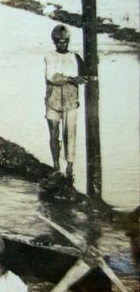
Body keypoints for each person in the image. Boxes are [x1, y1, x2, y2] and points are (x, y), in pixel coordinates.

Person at [44, 24, 89, 179]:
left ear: (68, 41)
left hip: (70, 102)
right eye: (58, 41)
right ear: (54, 41)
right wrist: (71, 78)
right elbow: (52, 77)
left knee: (70, 135)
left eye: (64, 41)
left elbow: (86, 75)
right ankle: (56, 165)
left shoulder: (75, 57)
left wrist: (91, 67)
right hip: (53, 101)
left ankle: (69, 167)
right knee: (53, 134)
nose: (61, 44)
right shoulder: (49, 56)